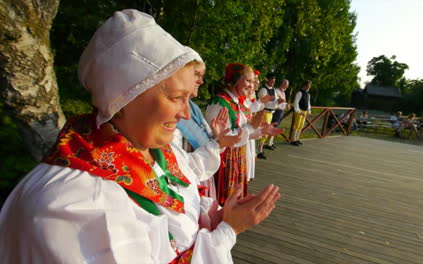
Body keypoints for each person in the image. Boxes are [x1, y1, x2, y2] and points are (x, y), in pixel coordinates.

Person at [0, 10, 280, 263]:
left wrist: (215, 219)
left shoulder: (154, 146)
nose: (186, 114)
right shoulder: (76, 206)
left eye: (188, 99)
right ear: (126, 96)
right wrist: (229, 231)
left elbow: (182, 187)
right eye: (176, 98)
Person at [206, 63, 283, 205]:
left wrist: (261, 131)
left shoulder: (238, 102)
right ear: (235, 80)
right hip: (225, 160)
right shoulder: (220, 103)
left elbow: (244, 134)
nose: (251, 85)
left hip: (237, 156)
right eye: (248, 80)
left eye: (253, 81)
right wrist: (250, 127)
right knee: (224, 202)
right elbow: (221, 138)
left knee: (235, 200)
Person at [174, 57, 240, 199]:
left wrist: (217, 137)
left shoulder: (194, 108)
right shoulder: (170, 114)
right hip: (188, 180)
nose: (201, 81)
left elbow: (209, 143)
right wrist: (217, 143)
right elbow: (177, 165)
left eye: (202, 76)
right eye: (196, 75)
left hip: (202, 172)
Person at [256, 73, 285, 159]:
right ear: (267, 80)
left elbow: (275, 102)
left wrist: (280, 103)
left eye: (274, 80)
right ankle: (259, 150)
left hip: (271, 113)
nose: (273, 82)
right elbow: (266, 103)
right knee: (263, 131)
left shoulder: (273, 90)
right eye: (272, 79)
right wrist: (276, 103)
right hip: (264, 112)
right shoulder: (263, 90)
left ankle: (260, 149)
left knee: (266, 132)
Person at [266, 79, 289, 149]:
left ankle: (271, 142)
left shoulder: (283, 93)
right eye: (286, 84)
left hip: (281, 111)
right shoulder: (276, 91)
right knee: (274, 127)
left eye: (287, 85)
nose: (287, 86)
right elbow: (276, 102)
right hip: (277, 111)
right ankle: (268, 144)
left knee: (277, 126)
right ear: (282, 83)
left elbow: (282, 102)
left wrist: (286, 105)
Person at [290, 80, 312, 146]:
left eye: (310, 86)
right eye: (308, 86)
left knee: (301, 125)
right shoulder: (299, 93)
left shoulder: (308, 94)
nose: (309, 87)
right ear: (304, 85)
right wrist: (299, 111)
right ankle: (293, 139)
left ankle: (297, 138)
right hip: (299, 111)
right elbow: (296, 103)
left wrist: (309, 111)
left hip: (304, 111)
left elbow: (308, 103)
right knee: (296, 125)